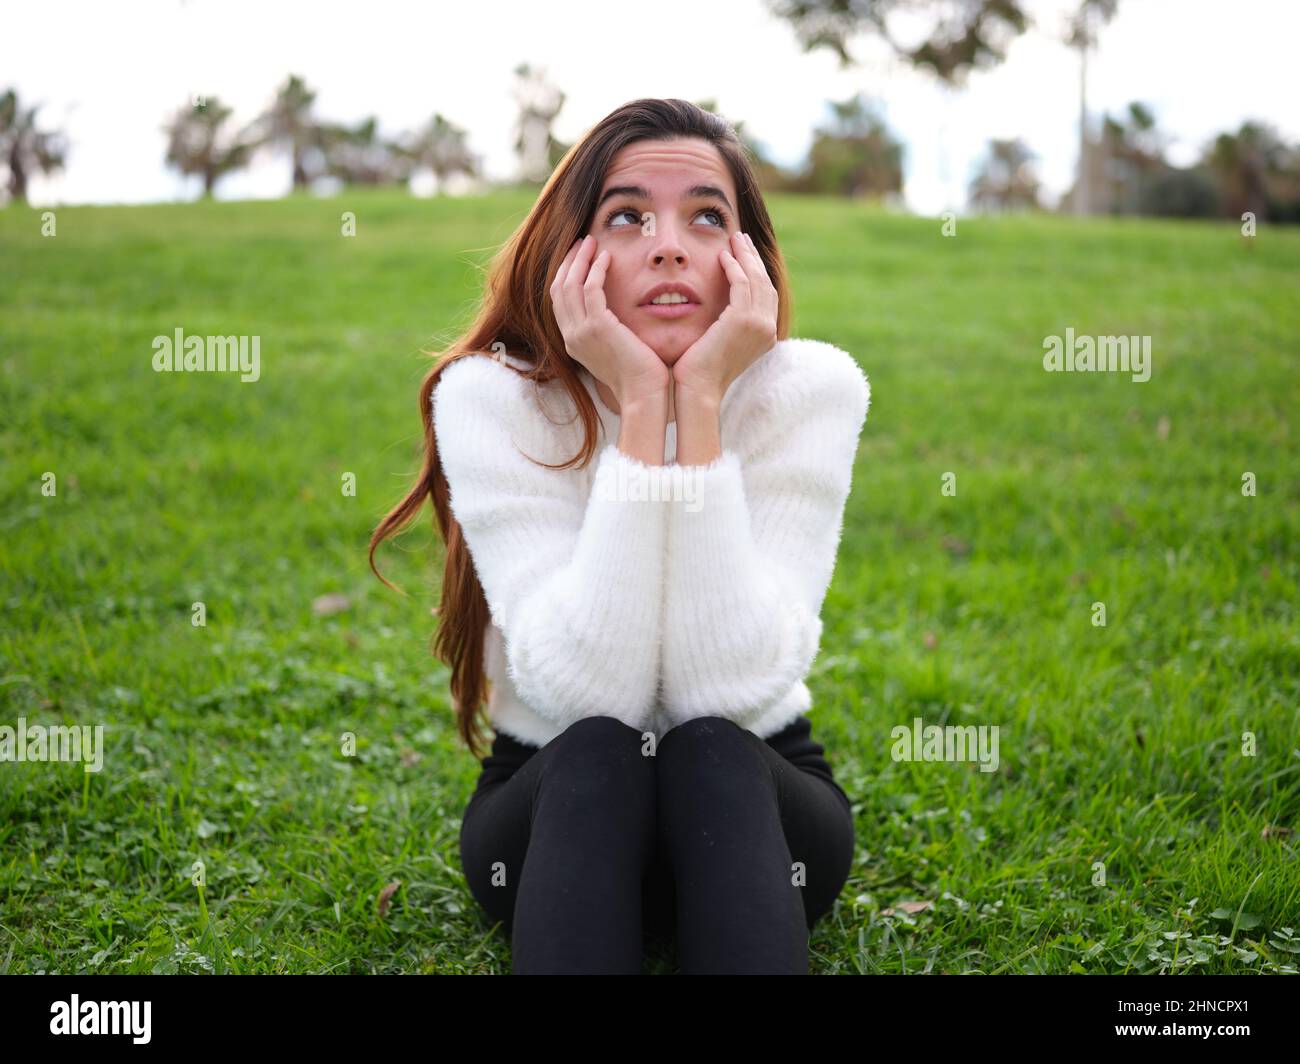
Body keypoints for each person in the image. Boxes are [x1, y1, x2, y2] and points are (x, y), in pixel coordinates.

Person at [369, 98, 871, 973]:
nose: (668, 243)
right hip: (555, 804)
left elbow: (732, 690)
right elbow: (583, 693)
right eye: (627, 215)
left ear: (747, 258)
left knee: (709, 749)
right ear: (573, 255)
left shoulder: (812, 392)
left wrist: (702, 402)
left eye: (707, 216)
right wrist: (645, 405)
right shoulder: (491, 399)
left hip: (756, 802)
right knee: (601, 749)